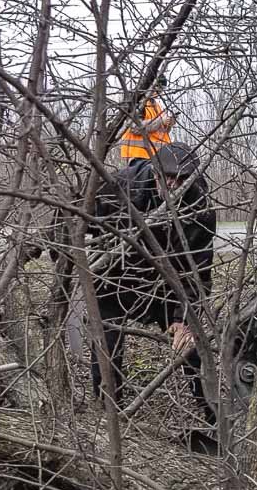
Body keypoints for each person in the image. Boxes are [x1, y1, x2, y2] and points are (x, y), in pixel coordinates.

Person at [89, 141, 216, 414]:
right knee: (106, 347)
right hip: (114, 280)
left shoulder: (200, 207)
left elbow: (198, 270)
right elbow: (78, 215)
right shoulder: (123, 184)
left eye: (181, 179)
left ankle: (214, 418)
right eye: (166, 176)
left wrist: (184, 319)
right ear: (154, 171)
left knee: (192, 349)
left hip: (164, 285)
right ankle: (109, 414)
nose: (172, 184)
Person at [119, 84, 175, 165]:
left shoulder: (156, 106)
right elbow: (135, 128)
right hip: (139, 155)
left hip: (155, 156)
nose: (160, 92)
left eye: (162, 89)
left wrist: (168, 123)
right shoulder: (138, 103)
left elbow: (160, 132)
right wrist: (160, 121)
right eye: (158, 88)